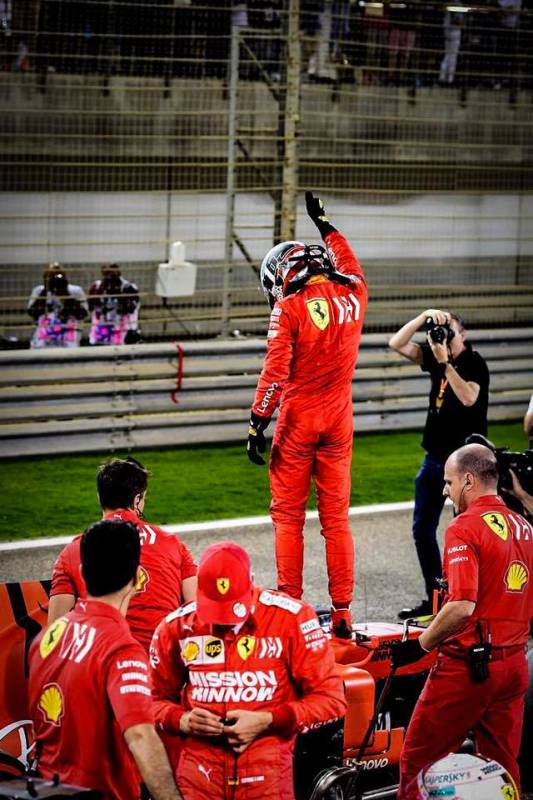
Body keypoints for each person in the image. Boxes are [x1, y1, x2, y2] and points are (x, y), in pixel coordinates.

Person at [246, 191, 368, 638]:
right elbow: (349, 260)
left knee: (288, 518)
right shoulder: (355, 294)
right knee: (336, 520)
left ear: (282, 274)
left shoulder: (289, 307)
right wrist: (325, 224)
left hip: (298, 422)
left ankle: (290, 608)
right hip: (339, 421)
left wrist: (258, 421)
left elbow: (275, 373)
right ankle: (341, 613)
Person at [149, 540, 346, 800]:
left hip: (267, 781)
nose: (224, 623)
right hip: (199, 780)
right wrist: (181, 720)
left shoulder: (292, 619)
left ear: (251, 582)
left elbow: (332, 700)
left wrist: (269, 721)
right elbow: (148, 702)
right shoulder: (175, 627)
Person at [390, 443, 533, 798]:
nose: (444, 490)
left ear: (468, 481)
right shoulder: (526, 527)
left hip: (468, 668)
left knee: (419, 760)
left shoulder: (464, 527)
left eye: (448, 482)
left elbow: (462, 605)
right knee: (500, 764)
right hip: (514, 666)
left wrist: (419, 645)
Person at [28, 519, 183, 800]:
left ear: (83, 574)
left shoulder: (45, 641)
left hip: (46, 788)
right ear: (138, 578)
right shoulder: (122, 651)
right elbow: (141, 738)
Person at [389, 309, 489, 618]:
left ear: (464, 334)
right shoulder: (435, 356)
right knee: (422, 530)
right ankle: (436, 599)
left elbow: (469, 397)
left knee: (467, 532)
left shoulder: (474, 363)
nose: (444, 336)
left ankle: (469, 602)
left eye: (451, 330)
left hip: (466, 464)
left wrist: (445, 362)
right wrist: (422, 319)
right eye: (441, 331)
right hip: (434, 459)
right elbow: (397, 343)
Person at [48, 457, 197, 652]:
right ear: (137, 499)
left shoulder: (73, 551)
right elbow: (197, 612)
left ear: (99, 496)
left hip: (103, 660)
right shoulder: (173, 543)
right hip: (162, 663)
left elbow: (54, 634)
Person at [27, 263, 88, 348]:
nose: (55, 278)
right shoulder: (38, 291)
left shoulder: (75, 290)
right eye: (51, 275)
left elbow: (82, 314)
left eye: (58, 274)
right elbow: (33, 313)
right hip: (42, 341)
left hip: (68, 341)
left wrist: (65, 293)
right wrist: (46, 289)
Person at [88, 263, 141, 345]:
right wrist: (99, 293)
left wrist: (121, 296)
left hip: (122, 325)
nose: (109, 277)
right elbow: (91, 306)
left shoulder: (128, 287)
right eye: (107, 274)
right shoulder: (97, 286)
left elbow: (133, 309)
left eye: (112, 274)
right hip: (103, 325)